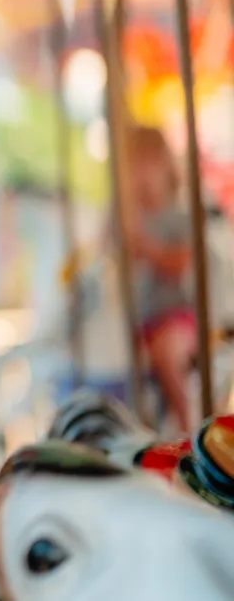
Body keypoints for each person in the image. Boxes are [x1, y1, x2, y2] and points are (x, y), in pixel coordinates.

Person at [125, 125, 199, 434]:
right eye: (136, 163)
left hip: (176, 315)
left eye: (149, 161)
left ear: (165, 164)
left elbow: (181, 262)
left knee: (167, 352)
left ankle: (188, 425)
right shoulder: (128, 216)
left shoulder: (180, 214)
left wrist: (148, 249)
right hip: (141, 318)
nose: (143, 171)